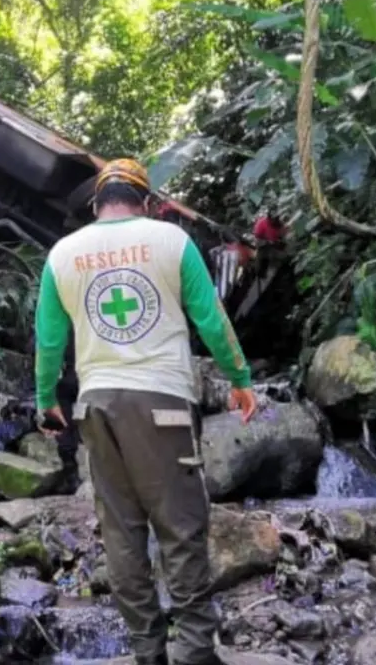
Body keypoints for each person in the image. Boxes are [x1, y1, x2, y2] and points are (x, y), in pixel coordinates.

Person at [34, 159, 258, 665]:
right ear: (149, 203)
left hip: (96, 405)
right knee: (181, 526)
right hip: (161, 402)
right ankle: (195, 651)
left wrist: (46, 398)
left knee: (121, 532)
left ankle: (147, 651)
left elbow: (48, 339)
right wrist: (240, 379)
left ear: (96, 204)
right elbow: (211, 319)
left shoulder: (62, 254)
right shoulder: (171, 241)